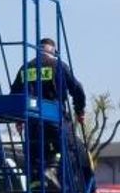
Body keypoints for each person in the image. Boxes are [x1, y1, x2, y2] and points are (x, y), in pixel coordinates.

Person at [10, 37, 87, 174]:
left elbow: (14, 95)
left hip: (33, 122)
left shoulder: (25, 68)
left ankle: (37, 183)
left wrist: (18, 118)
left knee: (34, 155)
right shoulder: (59, 66)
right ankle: (54, 169)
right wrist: (79, 110)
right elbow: (77, 89)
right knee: (68, 147)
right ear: (54, 51)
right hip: (55, 119)